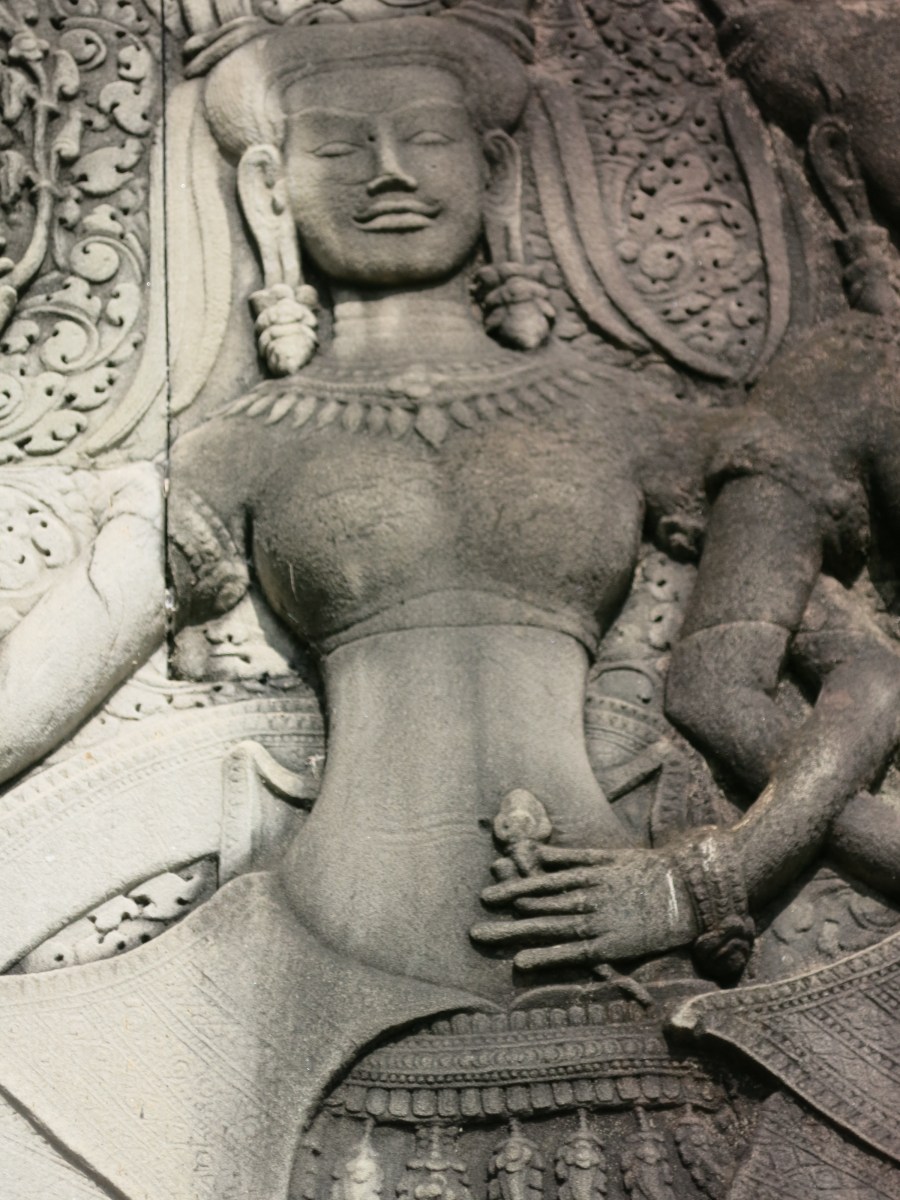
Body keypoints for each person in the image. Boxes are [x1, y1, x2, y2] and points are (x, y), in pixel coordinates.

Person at [1, 4, 899, 1198]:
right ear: (266, 191)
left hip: (623, 985)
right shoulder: (237, 445)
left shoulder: (628, 421)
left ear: (497, 168)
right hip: (332, 997)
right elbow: (50, 673)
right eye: (340, 148)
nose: (388, 173)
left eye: (426, 138)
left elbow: (864, 676)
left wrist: (711, 877)